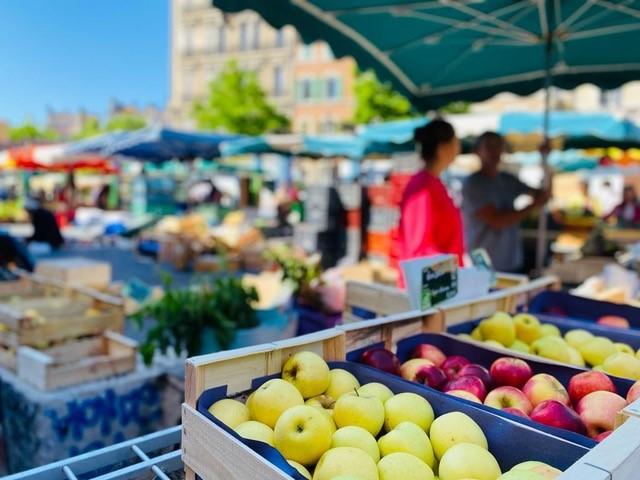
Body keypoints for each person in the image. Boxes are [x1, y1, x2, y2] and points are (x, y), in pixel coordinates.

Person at [462, 132, 549, 273]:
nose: (495, 151)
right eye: (489, 146)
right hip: (485, 266)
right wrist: (533, 205)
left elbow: (543, 194)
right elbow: (497, 220)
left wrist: (545, 160)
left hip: (511, 261)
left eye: (498, 146)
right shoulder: (474, 184)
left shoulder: (507, 179)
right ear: (477, 151)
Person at [393, 119, 464, 286]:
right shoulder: (423, 187)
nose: (458, 148)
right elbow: (418, 248)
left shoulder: (434, 184)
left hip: (442, 285)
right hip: (428, 291)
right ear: (441, 148)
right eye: (455, 142)